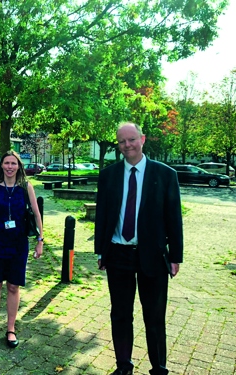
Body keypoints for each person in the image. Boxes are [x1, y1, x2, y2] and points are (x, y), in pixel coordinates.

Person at [94, 122, 183, 375]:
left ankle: (159, 368)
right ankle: (124, 366)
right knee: (120, 314)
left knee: (154, 317)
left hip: (152, 256)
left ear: (142, 139)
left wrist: (175, 256)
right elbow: (103, 215)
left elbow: (174, 219)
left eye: (131, 140)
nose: (127, 145)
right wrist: (101, 250)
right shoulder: (109, 175)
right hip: (118, 253)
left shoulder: (165, 175)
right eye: (122, 142)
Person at [0, 150, 44, 349]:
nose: (9, 167)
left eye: (13, 163)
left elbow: (36, 214)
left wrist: (40, 240)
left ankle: (11, 328)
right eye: (6, 163)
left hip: (18, 244)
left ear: (19, 166)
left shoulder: (26, 188)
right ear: (1, 166)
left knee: (14, 286)